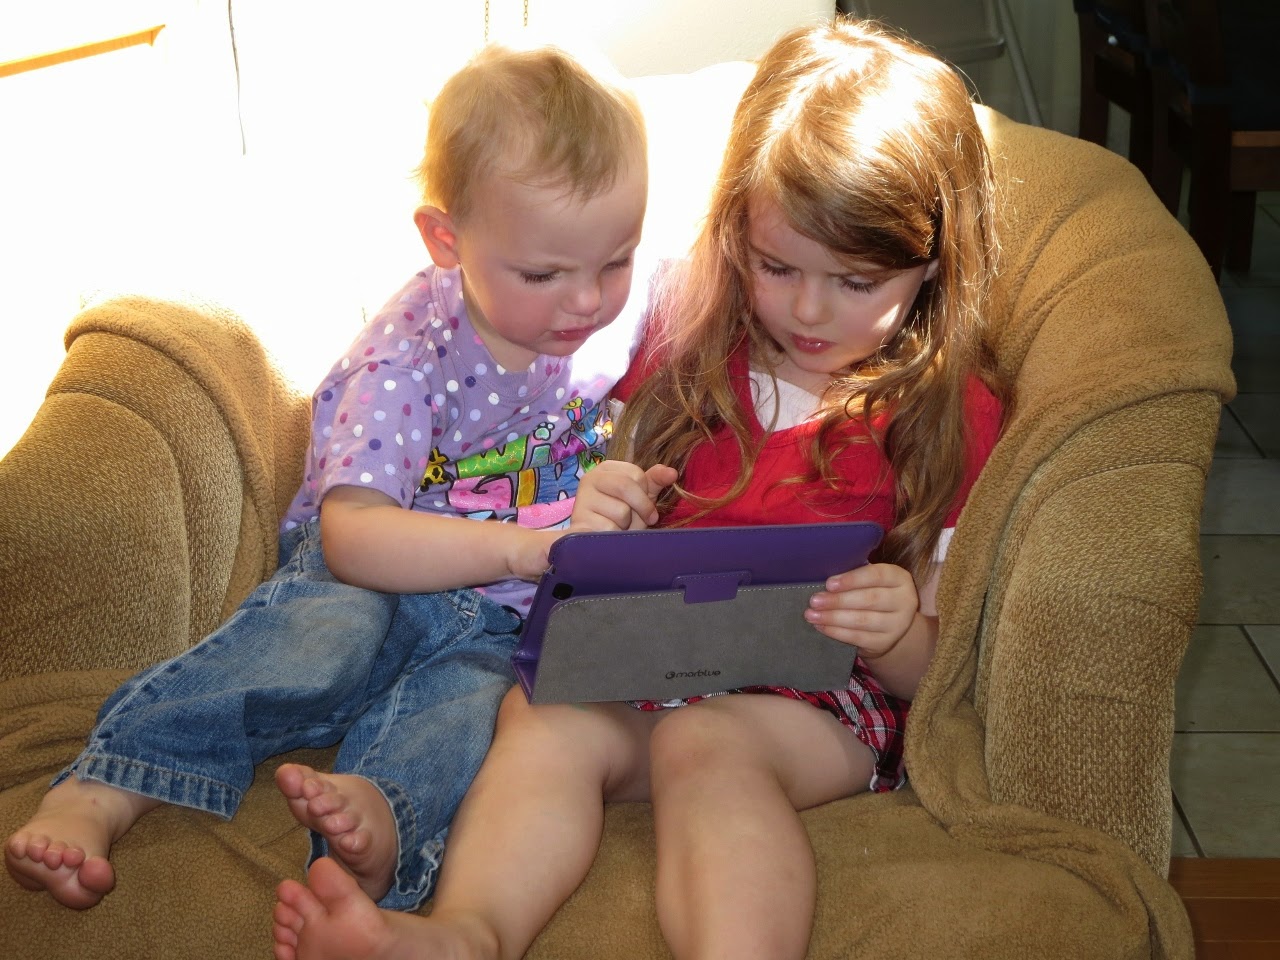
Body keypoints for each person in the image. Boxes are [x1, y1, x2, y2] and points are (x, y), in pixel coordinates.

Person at [271, 17, 1006, 960]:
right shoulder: (682, 338)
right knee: (541, 713)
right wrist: (600, 507)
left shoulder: (947, 413)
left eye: (856, 282)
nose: (809, 308)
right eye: (777, 266)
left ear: (932, 263)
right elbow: (551, 454)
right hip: (650, 668)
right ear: (735, 231)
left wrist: (898, 631)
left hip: (819, 704)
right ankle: (465, 935)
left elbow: (941, 676)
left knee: (710, 744)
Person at [4, 41, 648, 914]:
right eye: (544, 274)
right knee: (323, 642)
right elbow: (352, 537)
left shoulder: (601, 318)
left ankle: (377, 818)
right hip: (375, 569)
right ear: (447, 239)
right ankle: (108, 784)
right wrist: (525, 550)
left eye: (616, 261)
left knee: (474, 705)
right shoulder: (405, 358)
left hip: (502, 614)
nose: (587, 301)